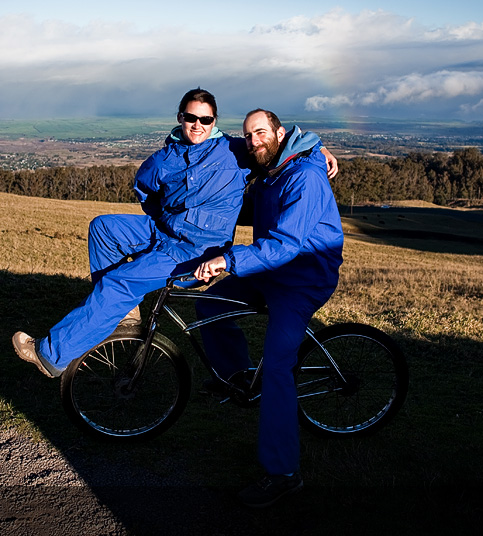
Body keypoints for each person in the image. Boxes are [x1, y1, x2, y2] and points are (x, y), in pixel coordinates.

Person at [12, 90, 337, 378]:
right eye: (191, 117)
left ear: (215, 122)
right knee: (103, 228)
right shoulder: (165, 157)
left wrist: (317, 150)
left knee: (119, 281)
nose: (198, 125)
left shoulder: (234, 150)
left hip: (197, 249)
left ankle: (51, 354)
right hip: (166, 230)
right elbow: (144, 189)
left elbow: (279, 145)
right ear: (180, 118)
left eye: (205, 119)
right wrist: (164, 215)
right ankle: (122, 317)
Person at [192, 109, 344, 508]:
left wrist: (228, 260)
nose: (253, 140)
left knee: (278, 368)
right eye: (248, 135)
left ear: (279, 132)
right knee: (210, 302)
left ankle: (283, 474)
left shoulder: (304, 176)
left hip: (301, 279)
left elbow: (287, 245)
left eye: (261, 132)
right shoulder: (271, 164)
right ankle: (237, 377)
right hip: (270, 270)